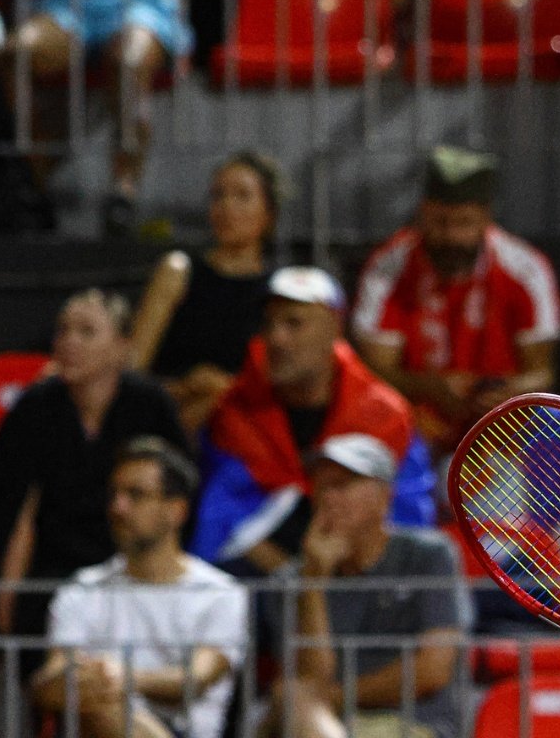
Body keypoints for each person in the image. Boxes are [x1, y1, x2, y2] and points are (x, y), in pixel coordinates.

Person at [190, 266, 436, 576]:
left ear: (334, 327)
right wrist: (297, 580)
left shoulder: (385, 416)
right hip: (262, 587)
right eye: (269, 324)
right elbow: (220, 524)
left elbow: (408, 522)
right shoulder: (233, 412)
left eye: (294, 323)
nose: (276, 339)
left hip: (367, 585)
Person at [0, 288, 189, 677]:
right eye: (63, 330)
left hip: (136, 562)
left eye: (86, 332)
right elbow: (16, 515)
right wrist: (8, 599)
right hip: (52, 571)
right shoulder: (35, 408)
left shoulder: (151, 406)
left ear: (122, 346)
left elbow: (178, 498)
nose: (68, 342)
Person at [352, 146, 560, 466]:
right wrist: (431, 388)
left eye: (464, 223)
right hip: (415, 427)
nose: (451, 236)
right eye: (440, 222)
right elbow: (373, 371)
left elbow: (541, 374)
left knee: (554, 425)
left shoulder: (525, 270)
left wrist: (502, 392)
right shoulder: (388, 268)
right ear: (423, 212)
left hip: (498, 431)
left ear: (485, 217)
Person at [30, 436, 247, 738]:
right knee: (96, 703)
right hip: (98, 724)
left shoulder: (219, 593)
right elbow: (54, 673)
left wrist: (124, 677)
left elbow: (199, 676)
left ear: (177, 511)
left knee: (103, 702)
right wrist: (66, 683)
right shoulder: (82, 588)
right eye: (114, 494)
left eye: (136, 495)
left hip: (183, 732)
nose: (118, 507)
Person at [258, 433, 472, 738]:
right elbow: (311, 681)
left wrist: (334, 697)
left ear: (384, 496)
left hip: (412, 725)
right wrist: (314, 582)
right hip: (319, 725)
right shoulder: (291, 581)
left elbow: (432, 671)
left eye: (343, 485)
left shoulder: (428, 556)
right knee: (294, 695)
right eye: (323, 486)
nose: (329, 497)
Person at [0, 0, 195, 235]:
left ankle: (122, 196)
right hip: (66, 2)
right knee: (16, 53)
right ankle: (29, 182)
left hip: (143, 3)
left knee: (129, 63)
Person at [130, 150, 284, 434]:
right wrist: (185, 387)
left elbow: (282, 388)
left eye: (242, 196)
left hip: (246, 431)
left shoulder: (279, 291)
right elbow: (131, 375)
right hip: (167, 417)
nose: (226, 207)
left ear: (269, 214)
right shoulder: (177, 272)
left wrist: (226, 388)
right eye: (218, 196)